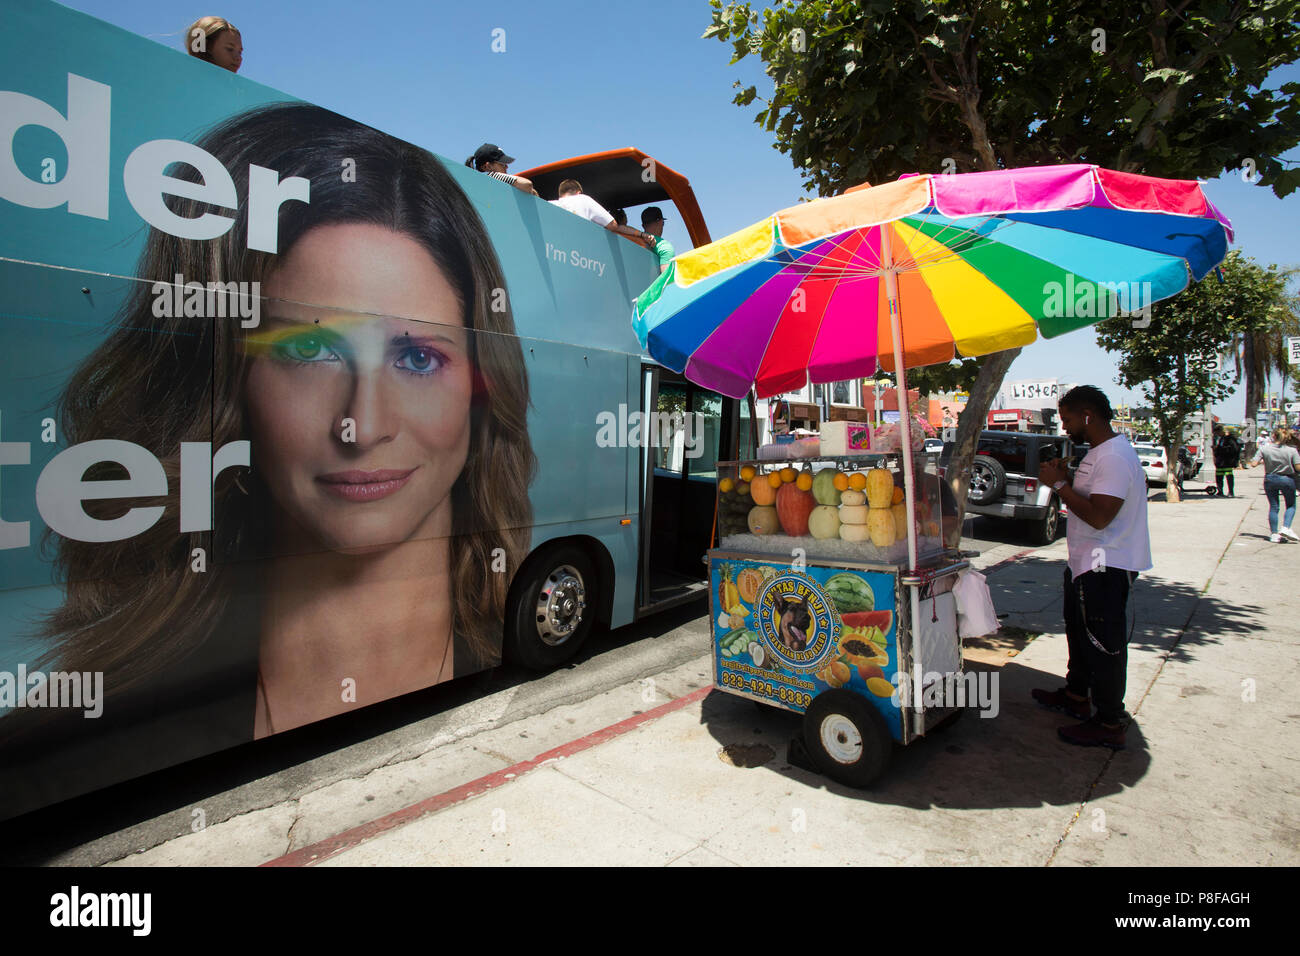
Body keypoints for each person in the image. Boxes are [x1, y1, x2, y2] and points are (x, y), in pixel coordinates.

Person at [6, 104, 536, 753]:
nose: (363, 425)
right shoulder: (70, 743)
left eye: (417, 358)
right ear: (229, 382)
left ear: (481, 389)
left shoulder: (506, 631)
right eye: (308, 350)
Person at [1033, 385, 1151, 749]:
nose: (1064, 426)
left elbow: (1101, 515)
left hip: (1106, 565)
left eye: (1068, 419)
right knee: (1080, 633)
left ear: (1088, 415)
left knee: (1103, 643)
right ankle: (1076, 693)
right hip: (1087, 563)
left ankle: (1110, 720)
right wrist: (1067, 476)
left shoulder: (1114, 457)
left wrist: (1059, 485)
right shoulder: (1099, 454)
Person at [550, 180, 656, 244]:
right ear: (579, 193)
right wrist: (642, 235)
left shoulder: (551, 204)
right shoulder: (582, 199)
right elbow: (613, 225)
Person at [1248, 428, 1300, 542]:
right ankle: (1286, 527)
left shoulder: (1264, 448)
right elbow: (1298, 468)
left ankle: (1274, 534)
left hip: (1270, 478)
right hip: (1287, 478)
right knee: (1290, 505)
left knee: (1274, 506)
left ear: (1273, 436)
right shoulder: (1292, 450)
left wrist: (1265, 460)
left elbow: (1253, 464)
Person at [464, 143, 538, 196]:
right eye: (502, 164)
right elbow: (527, 184)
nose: (506, 167)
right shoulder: (492, 176)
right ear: (487, 167)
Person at [641, 206, 676, 274]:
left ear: (643, 225)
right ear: (661, 222)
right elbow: (667, 279)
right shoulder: (665, 247)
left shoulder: (632, 240)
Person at [1211, 424, 1241, 497]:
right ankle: (1220, 491)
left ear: (1221, 431)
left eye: (1218, 433)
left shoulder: (1230, 439)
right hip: (1220, 462)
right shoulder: (1221, 439)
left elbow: (1234, 449)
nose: (1217, 434)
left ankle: (1231, 492)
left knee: (1228, 476)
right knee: (1219, 476)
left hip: (1227, 461)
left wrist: (1220, 449)